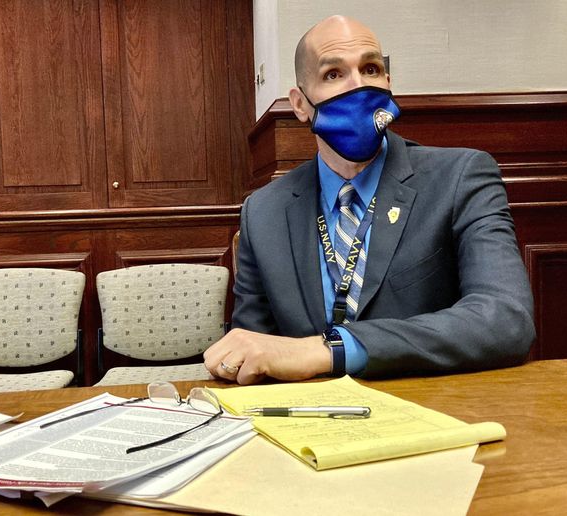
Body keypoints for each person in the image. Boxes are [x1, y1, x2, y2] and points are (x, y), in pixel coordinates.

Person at [203, 15, 535, 384]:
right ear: (300, 104)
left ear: (388, 84)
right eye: (333, 74)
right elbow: (254, 352)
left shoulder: (460, 177)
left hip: (433, 416)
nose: (359, 87)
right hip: (311, 427)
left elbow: (506, 318)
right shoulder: (262, 212)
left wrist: (333, 349)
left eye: (371, 68)